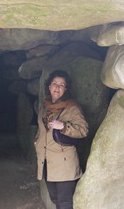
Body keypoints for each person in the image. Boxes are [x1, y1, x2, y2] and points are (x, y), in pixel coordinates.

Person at [34, 70, 89, 209]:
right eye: (55, 84)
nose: (57, 88)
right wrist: (37, 143)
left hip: (65, 164)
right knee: (55, 199)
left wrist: (64, 126)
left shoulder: (72, 108)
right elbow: (41, 131)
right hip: (47, 162)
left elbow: (83, 130)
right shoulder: (44, 108)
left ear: (66, 89)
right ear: (49, 86)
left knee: (65, 203)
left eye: (62, 85)